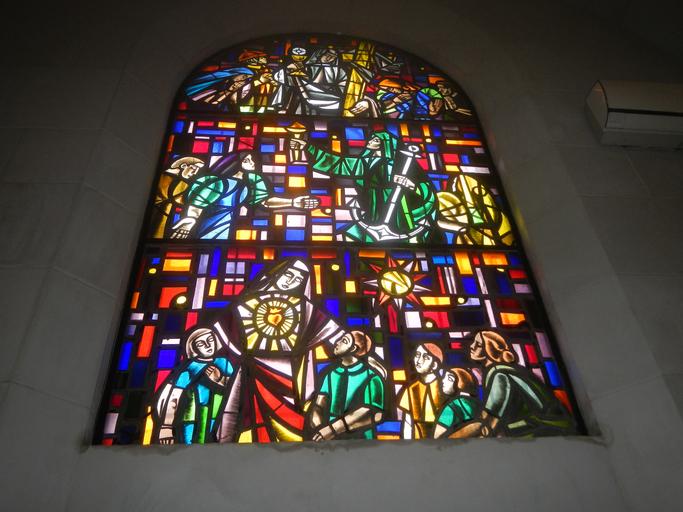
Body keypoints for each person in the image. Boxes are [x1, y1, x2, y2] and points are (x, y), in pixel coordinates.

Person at [217, 258, 346, 442]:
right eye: (289, 275)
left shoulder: (306, 308)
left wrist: (358, 355)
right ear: (276, 275)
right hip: (250, 373)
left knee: (290, 425)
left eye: (298, 278)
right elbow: (220, 334)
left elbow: (336, 335)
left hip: (289, 376)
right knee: (248, 419)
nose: (291, 281)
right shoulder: (247, 303)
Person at [290, 131, 437, 242]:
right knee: (356, 235)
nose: (370, 141)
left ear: (384, 144)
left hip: (397, 207)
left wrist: (410, 185)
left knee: (402, 235)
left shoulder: (400, 164)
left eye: (376, 140)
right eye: (372, 138)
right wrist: (308, 147)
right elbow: (339, 163)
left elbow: (424, 186)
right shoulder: (366, 162)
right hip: (373, 205)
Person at [170, 152, 319, 239]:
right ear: (236, 163)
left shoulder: (250, 182)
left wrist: (293, 202)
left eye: (252, 160)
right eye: (247, 160)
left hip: (226, 226)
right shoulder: (217, 182)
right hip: (209, 224)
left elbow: (265, 202)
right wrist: (189, 221)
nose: (252, 163)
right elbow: (197, 204)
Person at [464, 331, 575, 437]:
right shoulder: (500, 371)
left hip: (545, 429)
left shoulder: (500, 374)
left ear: (490, 349)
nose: (472, 346)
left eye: (478, 344)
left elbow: (491, 419)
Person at [154, 328, 235, 444]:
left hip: (220, 418)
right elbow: (174, 396)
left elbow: (235, 389)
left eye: (210, 339)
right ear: (194, 348)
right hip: (192, 418)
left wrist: (219, 379)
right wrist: (166, 426)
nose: (208, 345)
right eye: (201, 344)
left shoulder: (223, 363)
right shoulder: (189, 369)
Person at [308, 331, 386, 441]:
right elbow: (318, 406)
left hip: (360, 442)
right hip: (330, 442)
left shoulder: (372, 377)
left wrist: (331, 430)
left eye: (344, 341)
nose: (337, 342)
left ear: (353, 348)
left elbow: (373, 413)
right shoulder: (331, 374)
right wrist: (320, 428)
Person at [398, 343, 446, 439]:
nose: (419, 361)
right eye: (417, 355)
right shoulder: (411, 389)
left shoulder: (444, 387)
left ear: (434, 365)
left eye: (425, 357)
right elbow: (408, 423)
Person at [151, 156, 205, 238]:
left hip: (163, 218)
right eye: (193, 168)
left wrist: (192, 217)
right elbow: (183, 199)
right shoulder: (165, 178)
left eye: (197, 170)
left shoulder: (182, 182)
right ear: (183, 166)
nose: (195, 173)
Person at [433, 367, 482, 439]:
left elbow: (437, 437)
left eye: (450, 379)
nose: (443, 381)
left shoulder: (451, 407)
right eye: (444, 377)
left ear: (461, 383)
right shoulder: (477, 404)